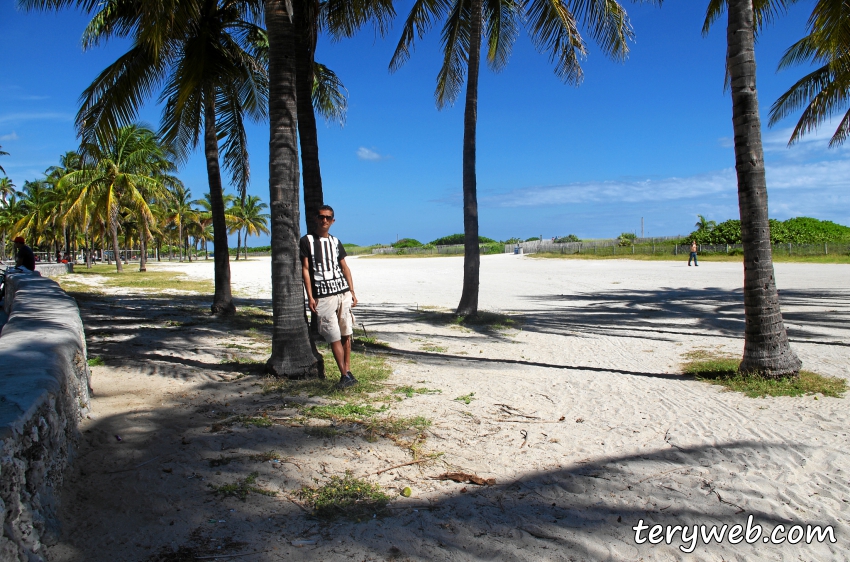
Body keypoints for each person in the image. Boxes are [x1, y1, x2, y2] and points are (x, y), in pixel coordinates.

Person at [300, 205, 359, 388]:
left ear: (333, 221)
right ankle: (344, 375)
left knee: (346, 333)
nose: (324, 220)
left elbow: (344, 267)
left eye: (328, 217)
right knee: (333, 335)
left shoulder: (335, 241)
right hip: (324, 296)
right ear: (316, 219)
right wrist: (310, 296)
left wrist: (352, 291)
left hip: (342, 292)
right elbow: (306, 270)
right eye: (321, 217)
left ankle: (347, 372)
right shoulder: (307, 241)